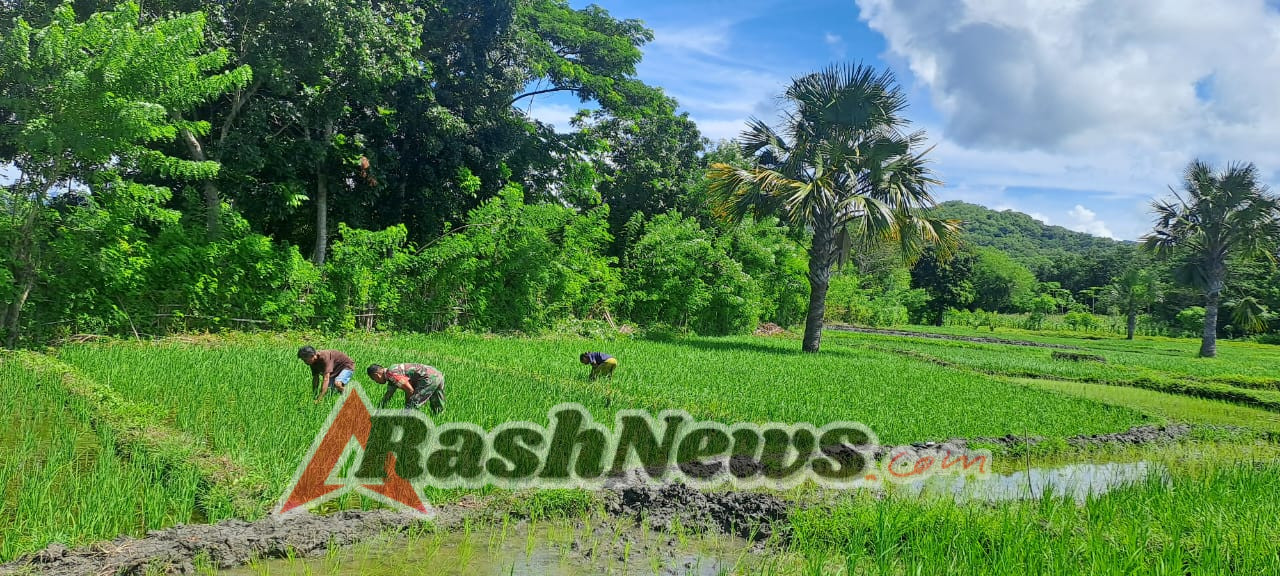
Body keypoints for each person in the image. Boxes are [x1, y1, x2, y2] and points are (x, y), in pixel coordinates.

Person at [367, 363, 446, 415]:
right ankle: (439, 420)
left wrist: (407, 406)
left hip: (428, 378)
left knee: (411, 406)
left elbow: (409, 390)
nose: (376, 381)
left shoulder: (391, 374)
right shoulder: (391, 375)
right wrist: (378, 410)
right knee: (437, 407)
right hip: (437, 374)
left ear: (377, 375)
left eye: (374, 379)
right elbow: (388, 395)